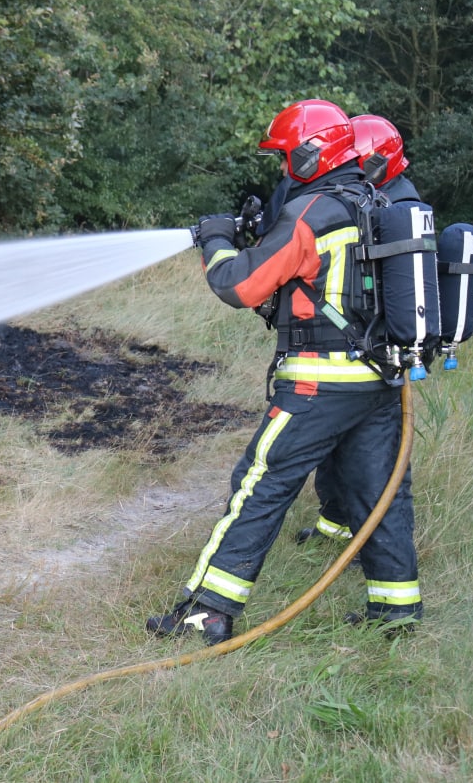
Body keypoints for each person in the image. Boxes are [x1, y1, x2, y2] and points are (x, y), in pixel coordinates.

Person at [146, 100, 423, 645]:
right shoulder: (374, 202)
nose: (281, 168)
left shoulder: (312, 211)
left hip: (319, 385)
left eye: (284, 157)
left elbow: (240, 285)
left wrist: (218, 238)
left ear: (310, 153)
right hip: (378, 383)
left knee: (259, 485)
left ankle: (208, 614)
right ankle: (397, 615)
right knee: (380, 494)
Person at [295, 114, 421, 551]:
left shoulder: (396, 208)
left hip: (374, 351)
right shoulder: (382, 201)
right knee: (341, 453)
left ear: (381, 163)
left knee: (378, 469)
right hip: (369, 350)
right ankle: (334, 531)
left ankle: (385, 580)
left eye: (361, 165)